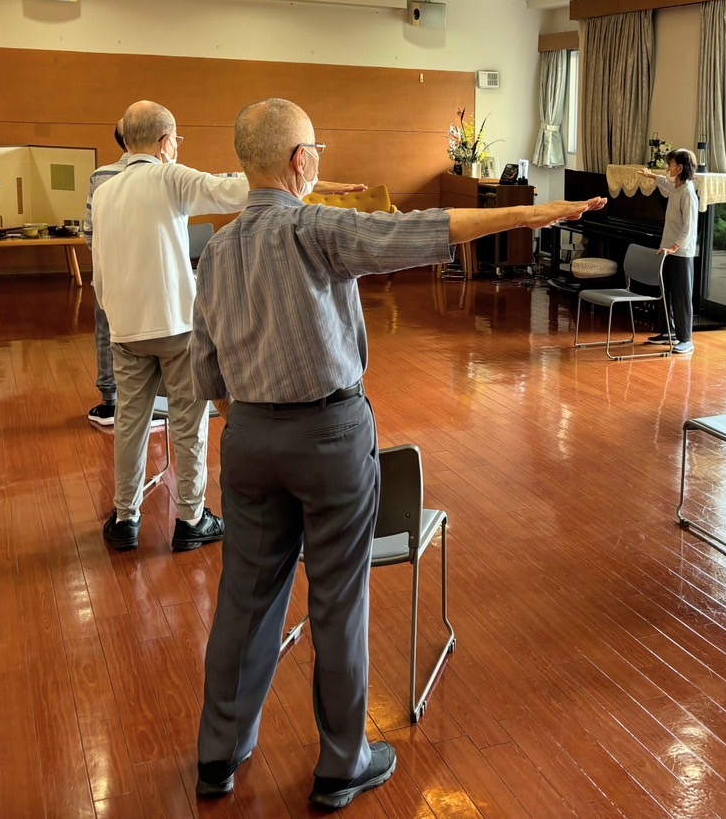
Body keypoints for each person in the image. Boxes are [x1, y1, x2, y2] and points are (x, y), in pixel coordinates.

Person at [190, 98, 605, 809]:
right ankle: (340, 763)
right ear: (300, 160)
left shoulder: (218, 248)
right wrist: (527, 214)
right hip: (328, 435)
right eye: (315, 149)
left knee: (244, 598)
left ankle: (217, 755)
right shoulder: (316, 227)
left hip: (247, 437)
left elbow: (205, 368)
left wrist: (252, 422)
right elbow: (418, 231)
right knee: (337, 600)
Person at [91, 100, 253, 554]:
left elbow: (98, 265)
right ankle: (191, 519)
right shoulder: (170, 177)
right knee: (189, 422)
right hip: (177, 327)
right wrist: (303, 176)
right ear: (165, 143)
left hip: (125, 327)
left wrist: (114, 313)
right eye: (176, 140)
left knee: (130, 421)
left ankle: (125, 518)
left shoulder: (104, 190)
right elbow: (234, 191)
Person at [84, 121, 127, 426]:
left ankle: (110, 402)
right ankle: (156, 402)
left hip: (109, 273)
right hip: (154, 277)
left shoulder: (101, 176)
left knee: (106, 332)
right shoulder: (167, 175)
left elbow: (89, 232)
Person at [638, 147, 699, 354]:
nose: (667, 168)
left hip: (680, 252)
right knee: (666, 292)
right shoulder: (676, 186)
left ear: (679, 168)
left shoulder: (688, 193)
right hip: (667, 250)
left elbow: (689, 227)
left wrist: (675, 247)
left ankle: (686, 340)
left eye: (669, 165)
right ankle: (668, 332)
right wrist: (651, 176)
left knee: (681, 297)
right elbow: (665, 183)